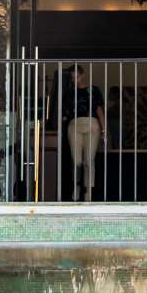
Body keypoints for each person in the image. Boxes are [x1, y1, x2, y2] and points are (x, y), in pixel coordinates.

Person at [61, 65, 104, 199]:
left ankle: (89, 191)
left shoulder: (93, 90)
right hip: (75, 124)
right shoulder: (69, 92)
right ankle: (77, 186)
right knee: (77, 160)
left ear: (83, 75)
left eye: (77, 77)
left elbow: (99, 110)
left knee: (89, 159)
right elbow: (65, 113)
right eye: (73, 78)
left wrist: (104, 129)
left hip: (92, 124)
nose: (75, 80)